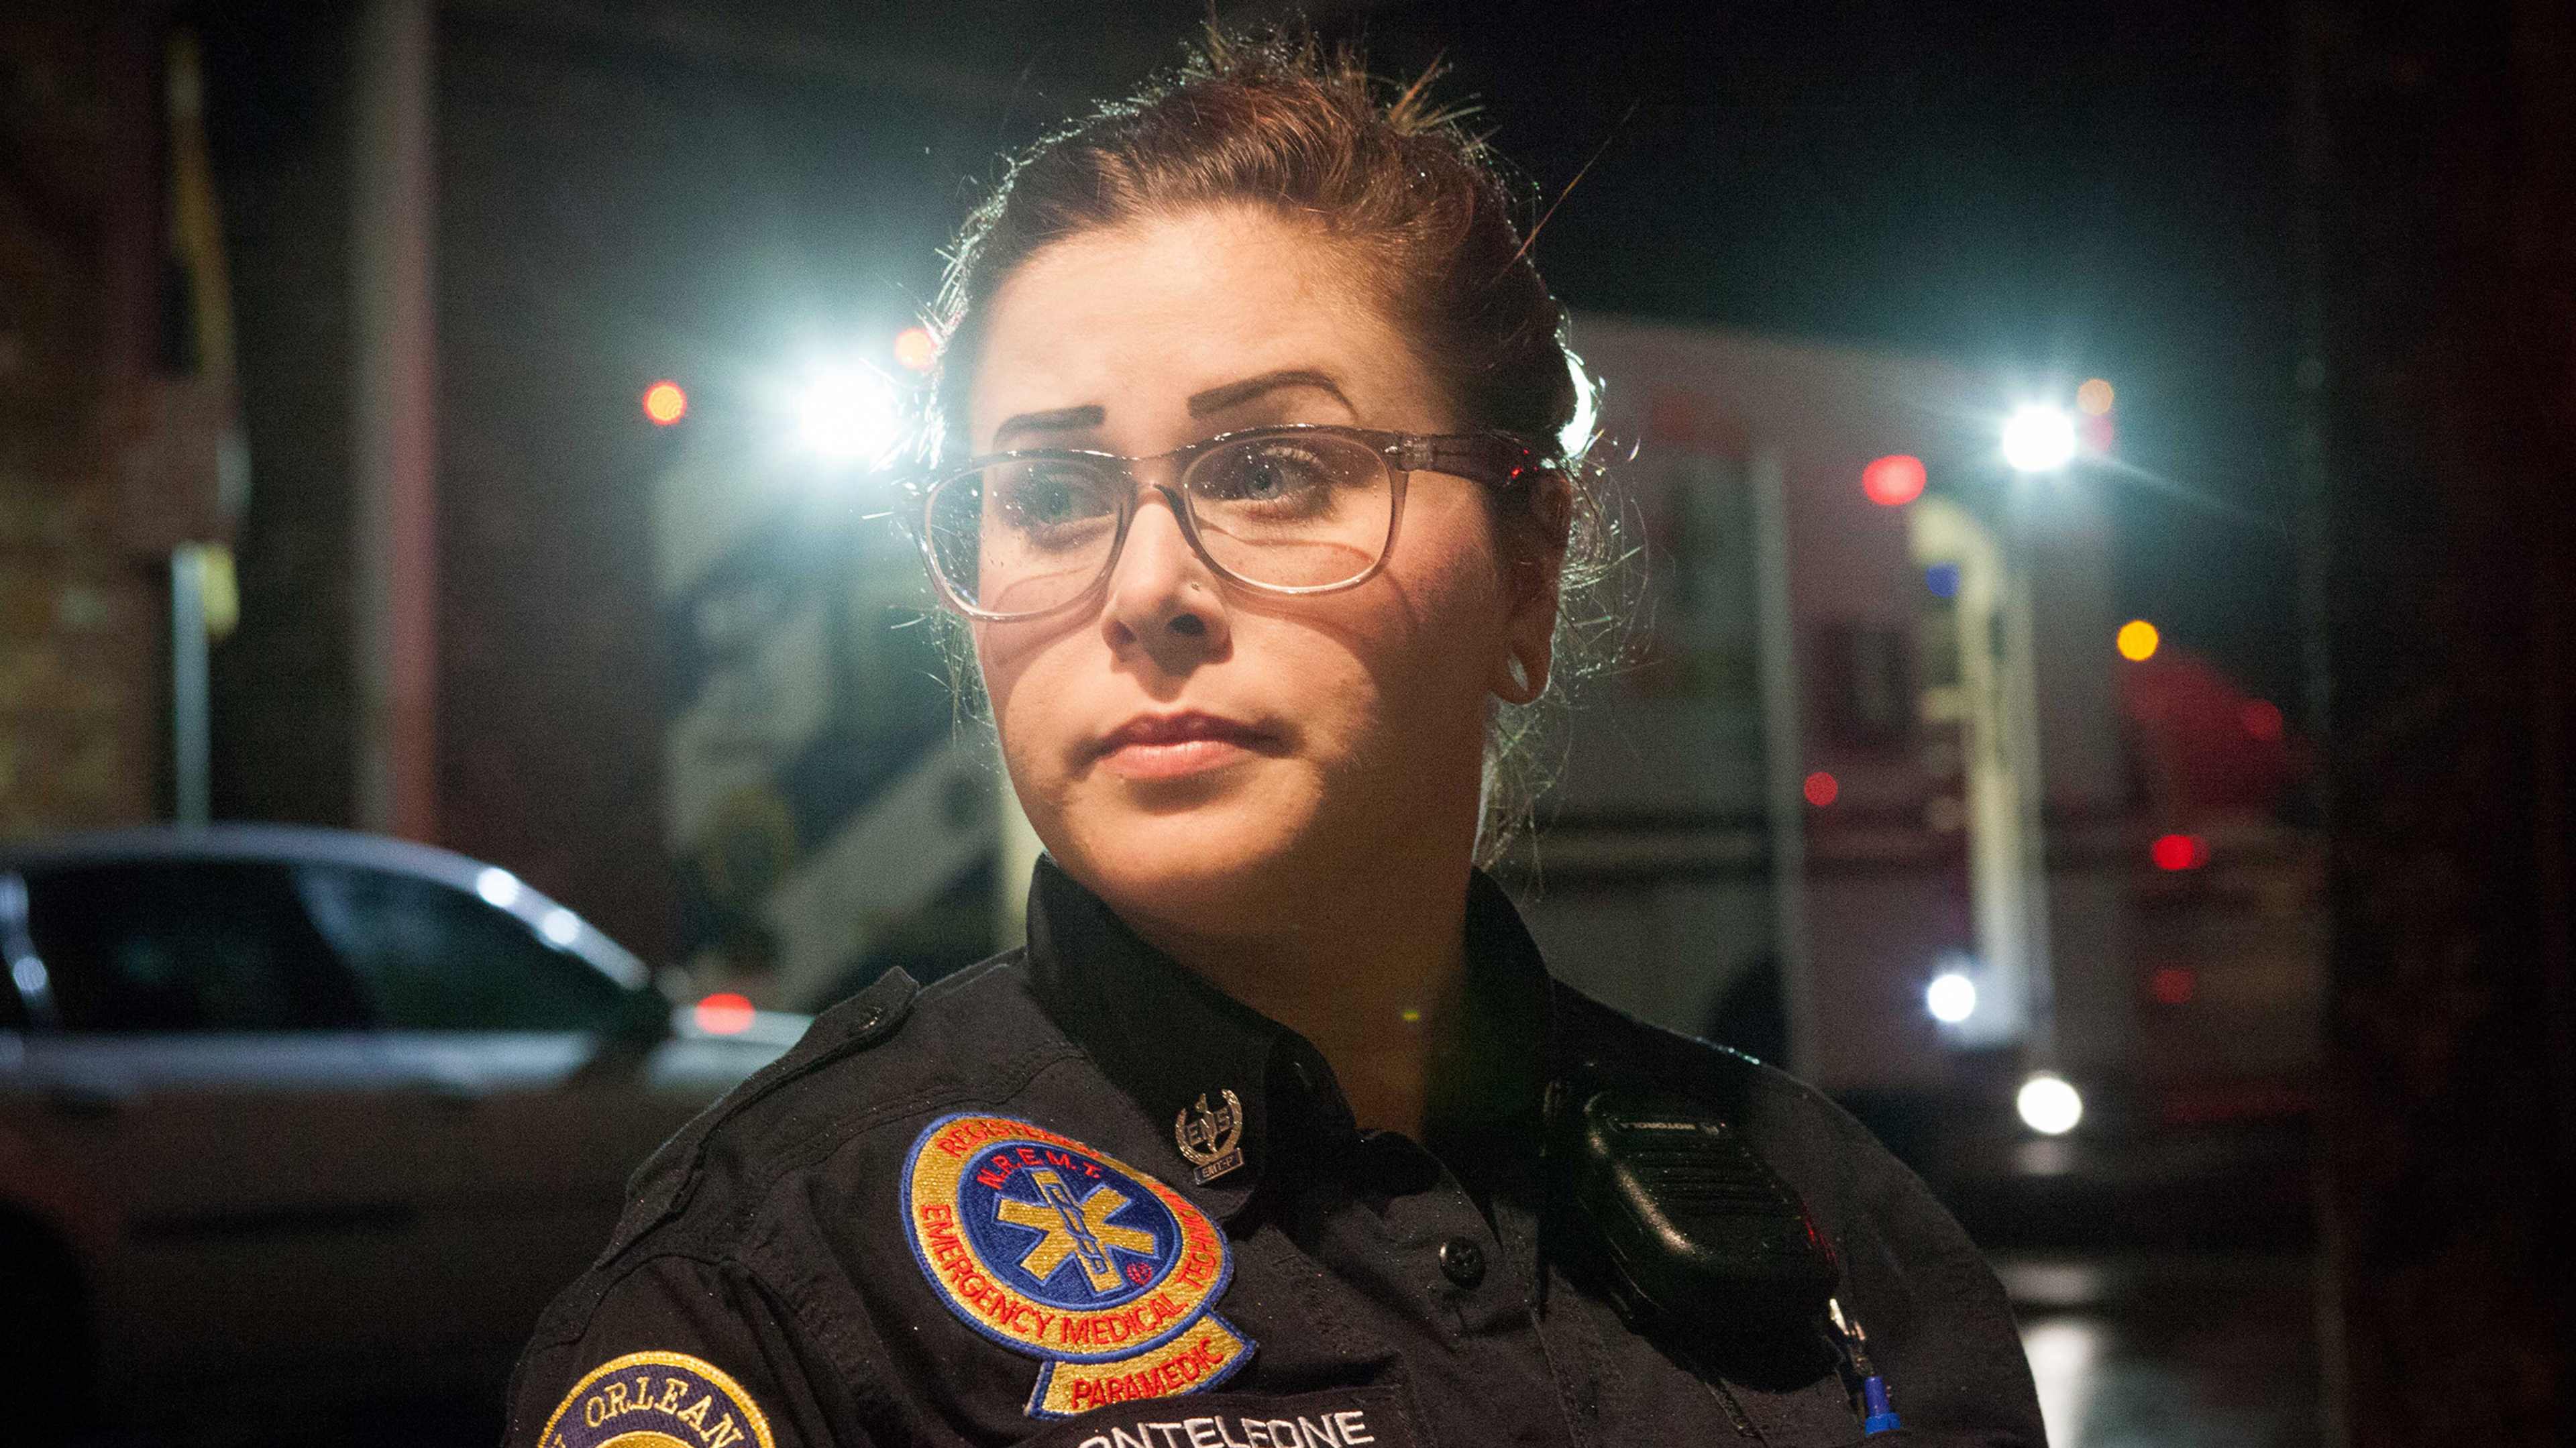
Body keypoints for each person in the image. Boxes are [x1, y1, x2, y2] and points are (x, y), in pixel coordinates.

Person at [506, 29, 2043, 1448]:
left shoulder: (1835, 1226)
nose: (1147, 588)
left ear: (1529, 566)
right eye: (1047, 496)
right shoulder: (778, 1287)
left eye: (1273, 469)